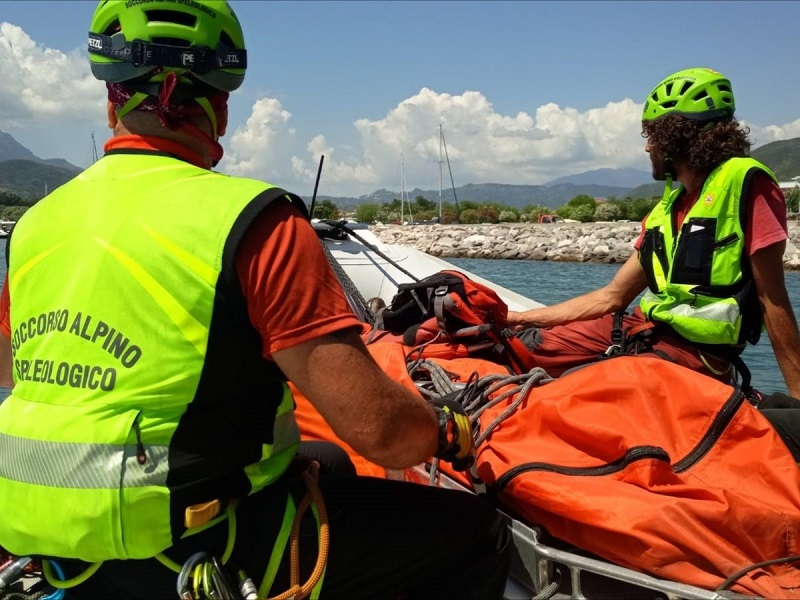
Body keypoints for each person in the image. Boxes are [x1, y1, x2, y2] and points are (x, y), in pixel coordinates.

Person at [0, 2, 509, 598]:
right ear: (219, 107)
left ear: (112, 100)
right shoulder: (256, 222)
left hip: (52, 542)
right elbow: (378, 430)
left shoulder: (38, 222)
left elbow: (11, 365)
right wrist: (448, 432)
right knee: (479, 533)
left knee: (330, 464)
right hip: (192, 551)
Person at [508, 67, 800, 399]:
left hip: (696, 356)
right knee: (520, 346)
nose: (648, 148)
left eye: (653, 137)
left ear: (677, 138)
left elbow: (773, 302)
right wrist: (521, 318)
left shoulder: (746, 182)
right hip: (642, 331)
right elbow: (612, 296)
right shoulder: (665, 209)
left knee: (577, 392)